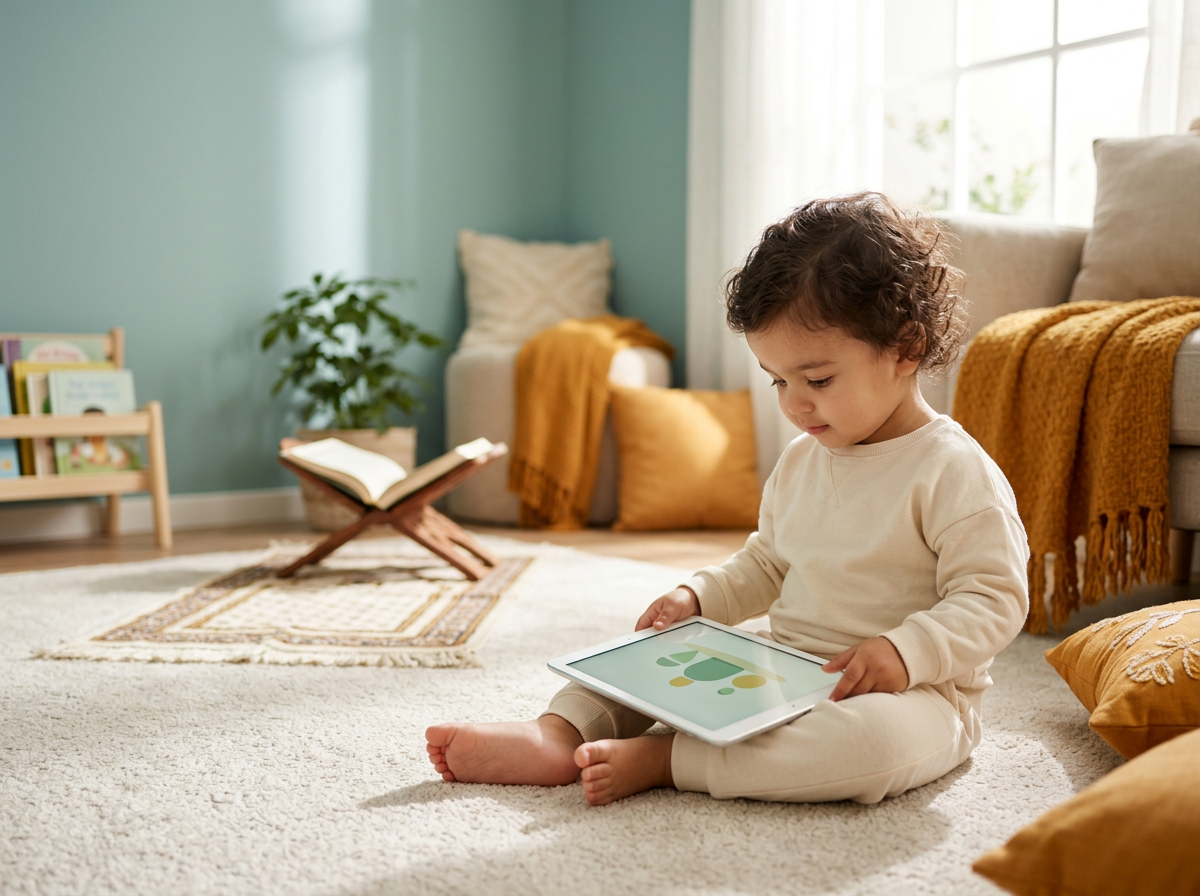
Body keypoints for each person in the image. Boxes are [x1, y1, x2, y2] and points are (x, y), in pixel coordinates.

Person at [426, 192, 1029, 807]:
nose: (794, 404)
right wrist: (701, 596)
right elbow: (767, 562)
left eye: (817, 380)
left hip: (913, 693)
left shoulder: (953, 470)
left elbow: (994, 597)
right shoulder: (802, 459)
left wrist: (907, 651)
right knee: (650, 656)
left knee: (875, 747)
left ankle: (669, 759)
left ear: (907, 347)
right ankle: (559, 733)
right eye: (778, 380)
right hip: (786, 666)